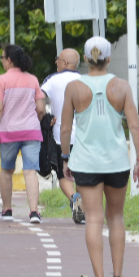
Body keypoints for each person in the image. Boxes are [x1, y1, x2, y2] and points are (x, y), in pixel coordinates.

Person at [61, 36, 139, 277]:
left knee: (94, 219)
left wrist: (65, 157)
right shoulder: (121, 87)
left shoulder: (74, 88)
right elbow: (134, 126)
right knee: (116, 217)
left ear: (85, 60)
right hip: (116, 161)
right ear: (108, 59)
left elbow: (65, 128)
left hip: (86, 162)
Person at [0, 44, 47, 223]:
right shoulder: (33, 80)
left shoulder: (1, 80)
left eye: (2, 58)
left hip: (9, 132)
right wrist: (34, 119)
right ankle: (34, 212)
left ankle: (7, 210)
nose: (2, 61)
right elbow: (41, 108)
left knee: (6, 170)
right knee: (30, 172)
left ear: (9, 60)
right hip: (31, 131)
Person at [40, 48, 85, 224]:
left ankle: (74, 197)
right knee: (81, 173)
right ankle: (81, 202)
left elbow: (39, 98)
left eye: (58, 59)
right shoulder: (85, 80)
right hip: (83, 137)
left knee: (62, 174)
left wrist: (45, 116)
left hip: (61, 136)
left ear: (65, 63)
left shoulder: (52, 80)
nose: (56, 62)